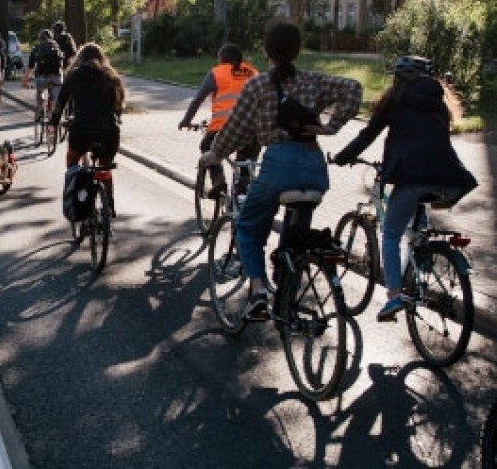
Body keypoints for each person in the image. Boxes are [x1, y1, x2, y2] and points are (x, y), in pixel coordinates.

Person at [199, 20, 362, 320]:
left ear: (266, 51)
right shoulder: (314, 81)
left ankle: (258, 291)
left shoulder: (258, 85)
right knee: (296, 238)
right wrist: (330, 127)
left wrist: (214, 155)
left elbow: (235, 130)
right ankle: (288, 293)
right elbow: (353, 89)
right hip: (314, 169)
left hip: (279, 165)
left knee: (248, 228)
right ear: (298, 50)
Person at [331, 56, 477, 321]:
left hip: (412, 176)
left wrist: (341, 156)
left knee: (390, 234)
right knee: (418, 219)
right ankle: (422, 263)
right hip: (448, 177)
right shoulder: (438, 104)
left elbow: (368, 135)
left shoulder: (394, 102)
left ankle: (393, 296)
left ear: (397, 79)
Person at [52, 43, 126, 214]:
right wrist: (117, 118)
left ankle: (76, 198)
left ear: (80, 58)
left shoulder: (73, 76)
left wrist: (54, 122)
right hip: (108, 131)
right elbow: (119, 105)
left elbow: (60, 103)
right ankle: (109, 206)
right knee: (105, 166)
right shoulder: (111, 76)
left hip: (81, 130)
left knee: (72, 160)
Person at [178, 44, 260, 198]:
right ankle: (240, 201)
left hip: (222, 128)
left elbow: (197, 100)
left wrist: (186, 121)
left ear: (221, 59)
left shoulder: (217, 72)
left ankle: (218, 181)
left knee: (207, 146)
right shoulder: (254, 73)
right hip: (252, 129)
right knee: (245, 168)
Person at [22, 29, 65, 125]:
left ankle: (41, 108)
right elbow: (62, 64)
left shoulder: (37, 48)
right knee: (55, 97)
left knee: (40, 91)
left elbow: (30, 67)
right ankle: (54, 113)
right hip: (57, 77)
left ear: (39, 39)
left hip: (42, 77)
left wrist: (25, 80)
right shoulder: (56, 47)